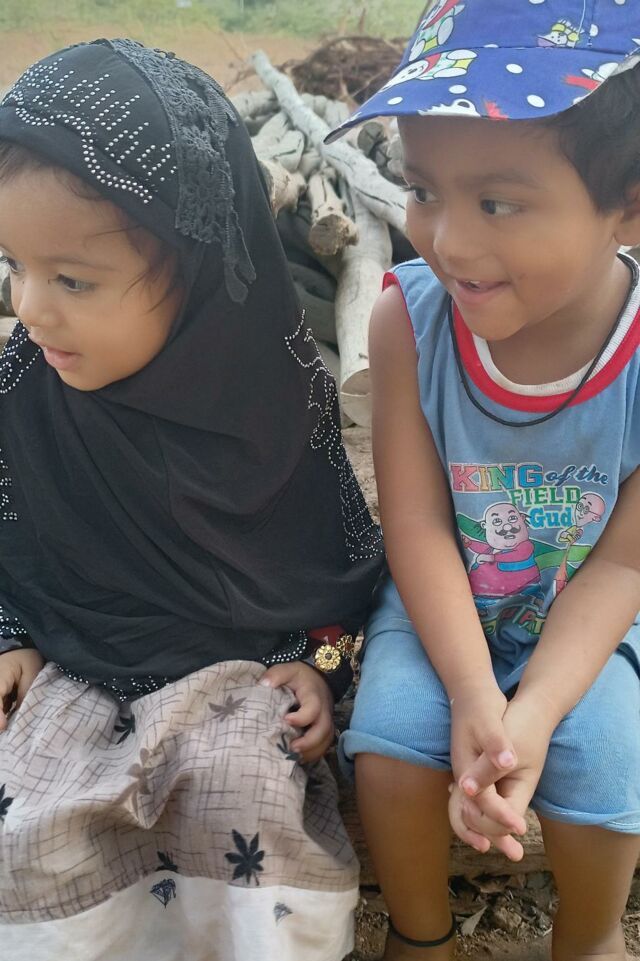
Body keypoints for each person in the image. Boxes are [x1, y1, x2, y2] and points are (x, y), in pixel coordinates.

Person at [0, 39, 383, 961]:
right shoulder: (28, 388)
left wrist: (320, 667)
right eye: (11, 264)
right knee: (30, 825)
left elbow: (333, 556)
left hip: (240, 677)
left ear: (201, 266)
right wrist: (9, 631)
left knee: (243, 799)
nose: (31, 307)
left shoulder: (272, 399)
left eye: (73, 279)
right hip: (75, 667)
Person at [326, 2, 640, 959]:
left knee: (609, 770)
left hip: (585, 613)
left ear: (628, 206)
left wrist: (529, 715)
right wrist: (472, 691)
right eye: (422, 189)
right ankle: (421, 938)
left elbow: (623, 566)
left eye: (497, 203)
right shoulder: (408, 323)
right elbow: (417, 525)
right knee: (388, 753)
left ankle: (588, 938)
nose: (448, 241)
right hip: (444, 606)